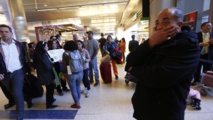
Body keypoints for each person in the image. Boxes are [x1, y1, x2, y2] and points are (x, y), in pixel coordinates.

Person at [125, 7, 200, 120]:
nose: (159, 27)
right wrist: (150, 42)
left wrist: (132, 69)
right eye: (157, 23)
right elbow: (130, 59)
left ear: (179, 25)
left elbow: (159, 77)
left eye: (165, 22)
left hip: (166, 112)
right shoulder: (157, 42)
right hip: (144, 107)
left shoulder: (189, 45)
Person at [0, 24, 26, 120]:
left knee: (17, 93)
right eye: (1, 31)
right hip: (4, 74)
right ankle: (24, 99)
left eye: (6, 31)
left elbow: (23, 57)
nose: (4, 33)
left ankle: (20, 115)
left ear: (11, 33)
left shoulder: (18, 44)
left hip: (18, 71)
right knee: (13, 93)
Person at [33, 41, 58, 109]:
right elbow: (48, 67)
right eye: (46, 46)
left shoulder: (38, 55)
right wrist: (53, 63)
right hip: (46, 75)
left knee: (50, 88)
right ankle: (49, 104)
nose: (47, 47)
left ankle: (51, 99)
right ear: (43, 47)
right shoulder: (43, 56)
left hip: (43, 74)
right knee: (49, 89)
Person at [62, 41, 84, 108]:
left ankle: (77, 103)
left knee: (73, 89)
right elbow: (82, 61)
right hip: (80, 72)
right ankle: (78, 100)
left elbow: (64, 65)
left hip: (71, 73)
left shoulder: (65, 53)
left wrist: (64, 73)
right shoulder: (78, 52)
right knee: (78, 87)